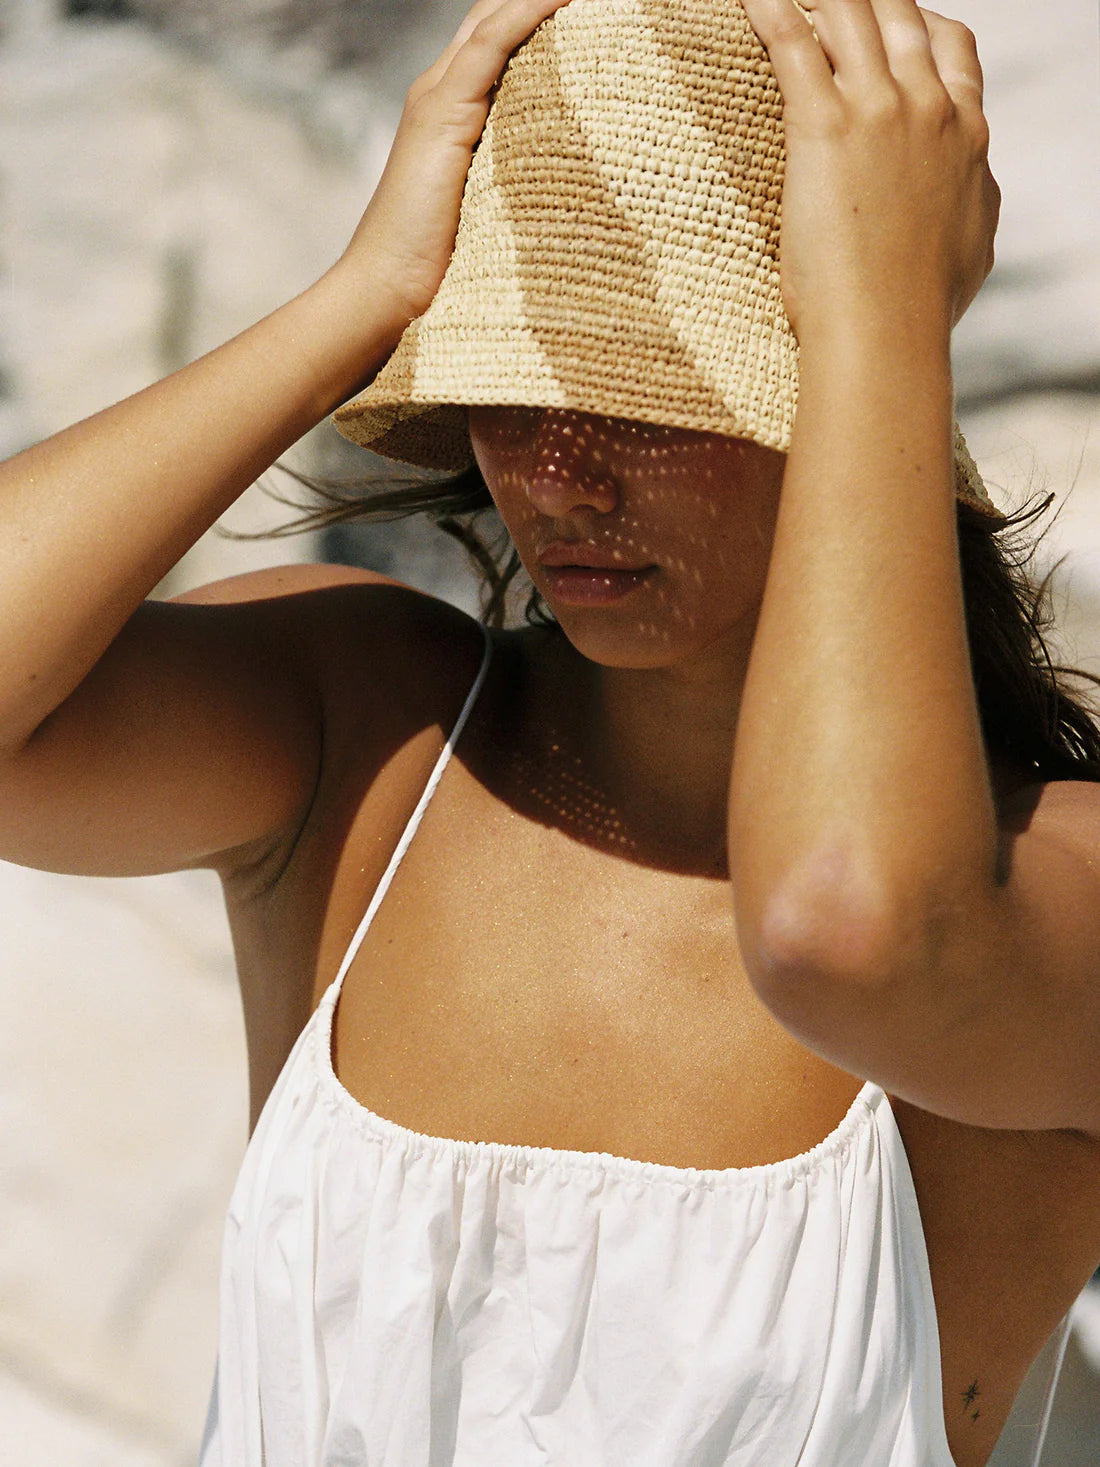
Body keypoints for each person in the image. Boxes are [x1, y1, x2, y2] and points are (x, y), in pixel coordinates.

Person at [1, 0, 1098, 1463]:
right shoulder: (370, 734)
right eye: (509, 382)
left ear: (832, 380)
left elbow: (847, 932)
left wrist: (883, 311)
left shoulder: (1047, 892)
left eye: (647, 395)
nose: (559, 476)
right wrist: (366, 294)